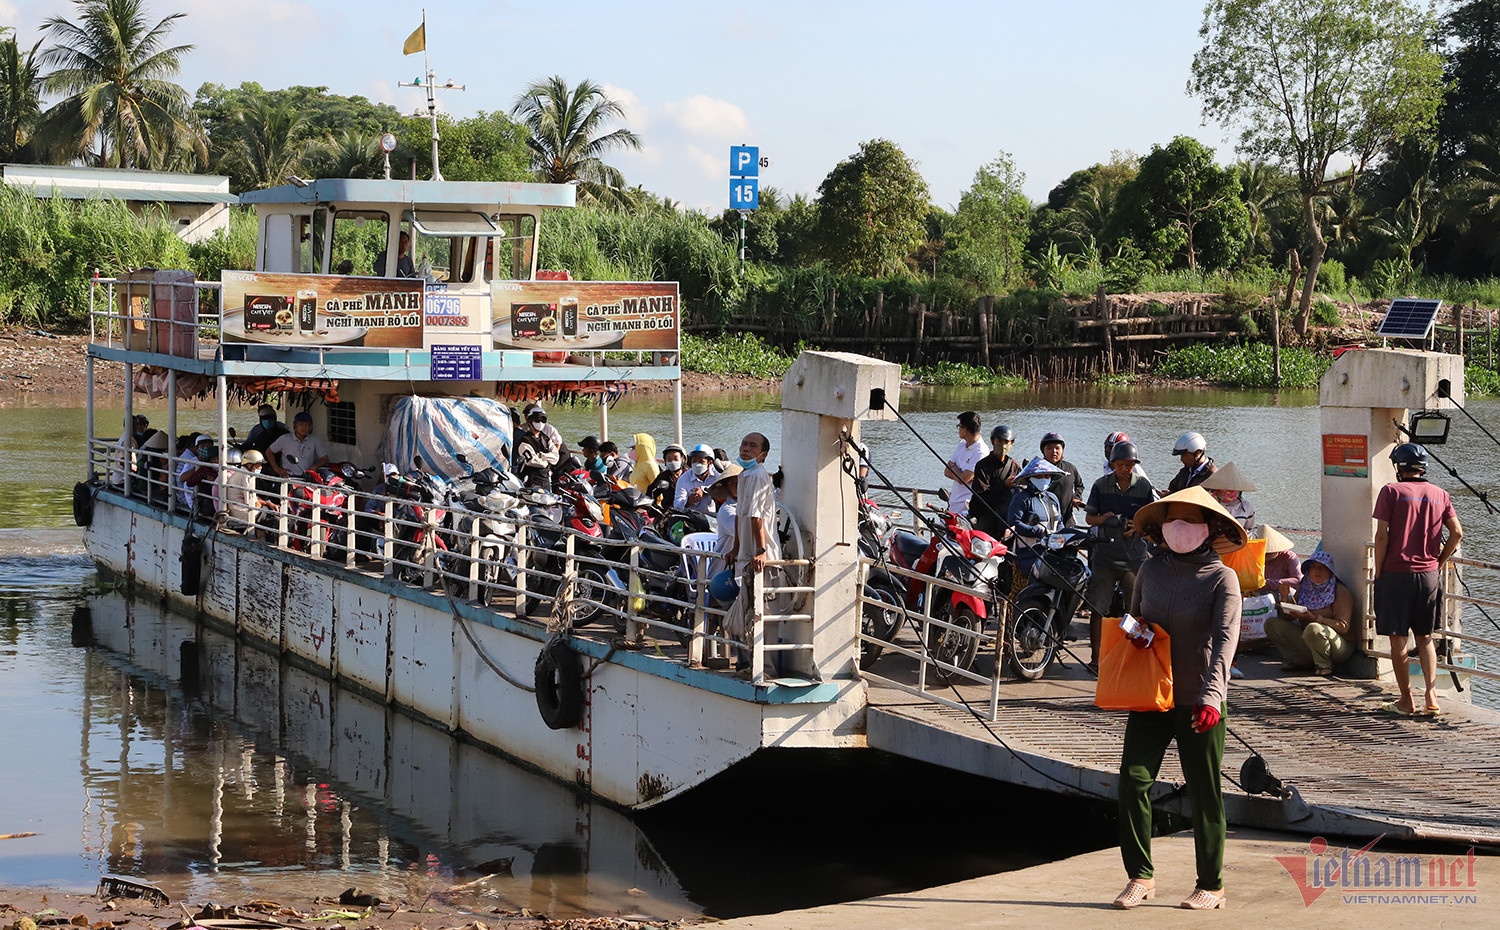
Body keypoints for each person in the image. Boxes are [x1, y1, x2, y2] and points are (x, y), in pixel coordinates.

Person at [1113, 486, 1245, 911]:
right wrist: (1134, 632)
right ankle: (1140, 876)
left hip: (1199, 701)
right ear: (1161, 529)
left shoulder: (1222, 578)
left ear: (1209, 529)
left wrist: (1212, 696)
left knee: (1205, 792)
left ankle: (1212, 884)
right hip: (1152, 697)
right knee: (1132, 781)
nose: (1179, 530)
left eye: (1188, 523)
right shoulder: (1150, 571)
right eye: (1172, 523)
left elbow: (1226, 642)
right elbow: (1133, 617)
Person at [1373, 443, 1463, 717]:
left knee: (1398, 639)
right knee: (1425, 637)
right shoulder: (1440, 494)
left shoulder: (1391, 491)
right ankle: (1432, 695)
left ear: (1399, 467)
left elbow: (1381, 536)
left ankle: (1405, 700)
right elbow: (1457, 533)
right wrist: (1439, 561)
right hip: (1429, 576)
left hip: (1396, 574)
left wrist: (1379, 571)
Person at [1085, 440, 1156, 673]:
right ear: (1113, 464)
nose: (1126, 469)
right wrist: (1106, 518)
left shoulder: (1144, 487)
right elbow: (1089, 519)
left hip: (1134, 559)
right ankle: (1096, 660)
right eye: (1121, 465)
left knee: (1136, 611)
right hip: (1105, 557)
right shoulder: (1100, 485)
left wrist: (1135, 526)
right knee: (1098, 608)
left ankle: (1133, 658)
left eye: (1130, 465)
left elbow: (1151, 519)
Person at [724, 432, 780, 675]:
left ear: (763, 454)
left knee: (763, 612)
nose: (746, 449)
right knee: (748, 609)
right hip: (746, 555)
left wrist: (761, 550)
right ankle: (749, 663)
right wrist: (736, 549)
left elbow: (757, 517)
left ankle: (765, 668)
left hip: (760, 555)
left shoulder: (758, 476)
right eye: (744, 444)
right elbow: (741, 516)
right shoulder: (745, 475)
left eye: (752, 446)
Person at [1266, 548, 1354, 675]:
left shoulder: (1339, 591)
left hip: (1339, 646)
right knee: (1272, 624)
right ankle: (1302, 659)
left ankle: (1324, 665)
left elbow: (1343, 627)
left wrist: (1315, 618)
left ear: (1330, 571)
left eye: (1322, 567)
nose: (1317, 571)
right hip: (1311, 641)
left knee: (1314, 628)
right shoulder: (1304, 587)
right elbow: (1286, 619)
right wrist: (1284, 598)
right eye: (1314, 567)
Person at [1005, 457, 1065, 580]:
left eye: (1047, 476)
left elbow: (1059, 522)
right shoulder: (1021, 498)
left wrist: (1063, 537)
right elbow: (1014, 523)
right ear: (1029, 479)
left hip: (1052, 551)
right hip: (1028, 553)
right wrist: (1037, 532)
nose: (1043, 479)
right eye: (1039, 477)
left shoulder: (1052, 498)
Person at [970, 424, 1020, 536]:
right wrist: (1004, 485)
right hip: (986, 515)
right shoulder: (982, 466)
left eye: (1006, 442)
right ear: (993, 441)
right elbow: (981, 496)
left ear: (1011, 443)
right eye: (999, 441)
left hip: (1006, 516)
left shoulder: (1015, 466)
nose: (1003, 445)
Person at [944, 411, 988, 518]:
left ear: (966, 429)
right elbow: (946, 471)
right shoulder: (962, 445)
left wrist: (955, 469)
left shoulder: (981, 451)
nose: (958, 429)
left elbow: (963, 479)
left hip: (966, 505)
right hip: (954, 501)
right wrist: (960, 475)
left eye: (959, 426)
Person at [1039, 432, 1085, 528]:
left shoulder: (1070, 468)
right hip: (1044, 521)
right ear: (1043, 451)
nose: (1054, 451)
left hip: (1067, 519)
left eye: (1057, 448)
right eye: (1049, 448)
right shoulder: (1037, 470)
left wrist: (1076, 498)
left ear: (1062, 450)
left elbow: (1079, 485)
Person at [223, 449, 271, 537]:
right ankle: (263, 540)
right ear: (249, 465)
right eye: (258, 465)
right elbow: (250, 501)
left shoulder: (242, 473)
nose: (260, 467)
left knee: (267, 511)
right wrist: (261, 504)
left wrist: (265, 503)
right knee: (269, 516)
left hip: (237, 508)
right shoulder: (245, 476)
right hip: (241, 511)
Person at [268, 412, 330, 479]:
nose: (304, 427)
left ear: (310, 427)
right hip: (289, 478)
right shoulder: (285, 439)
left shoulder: (314, 440)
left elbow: (325, 459)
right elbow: (269, 452)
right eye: (301, 424)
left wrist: (315, 467)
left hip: (307, 478)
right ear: (295, 425)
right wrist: (277, 469)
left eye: (307, 425)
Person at [513, 404, 562, 488]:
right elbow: (532, 461)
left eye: (543, 420)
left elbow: (556, 457)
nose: (540, 422)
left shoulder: (546, 439)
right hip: (531, 479)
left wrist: (540, 455)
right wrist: (547, 460)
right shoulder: (525, 440)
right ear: (529, 421)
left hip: (545, 479)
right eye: (537, 420)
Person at [1200, 461, 1256, 531]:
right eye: (1227, 489)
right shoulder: (1210, 505)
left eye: (1233, 490)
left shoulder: (1246, 507)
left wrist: (1249, 535)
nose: (1230, 492)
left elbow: (1252, 529)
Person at [708, 463, 742, 578]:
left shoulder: (748, 506)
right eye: (734, 483)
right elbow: (744, 532)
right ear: (727, 487)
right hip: (721, 574)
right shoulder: (727, 511)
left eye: (741, 482)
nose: (739, 485)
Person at [177, 433, 218, 517]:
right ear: (196, 448)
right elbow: (181, 478)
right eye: (202, 447)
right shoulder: (192, 462)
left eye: (208, 447)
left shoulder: (212, 461)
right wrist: (198, 468)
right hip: (194, 498)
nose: (205, 449)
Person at [675, 443, 719, 514]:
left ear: (710, 463)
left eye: (701, 462)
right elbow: (677, 504)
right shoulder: (684, 479)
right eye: (694, 461)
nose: (697, 465)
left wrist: (703, 490)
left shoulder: (717, 474)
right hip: (691, 518)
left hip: (712, 518)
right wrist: (688, 501)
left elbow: (723, 488)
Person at [648, 443, 687, 510]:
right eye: (669, 459)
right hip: (670, 513)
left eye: (675, 458)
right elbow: (650, 492)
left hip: (690, 513)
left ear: (682, 459)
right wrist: (655, 508)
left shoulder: (690, 474)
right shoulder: (663, 477)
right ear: (665, 461)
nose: (672, 461)